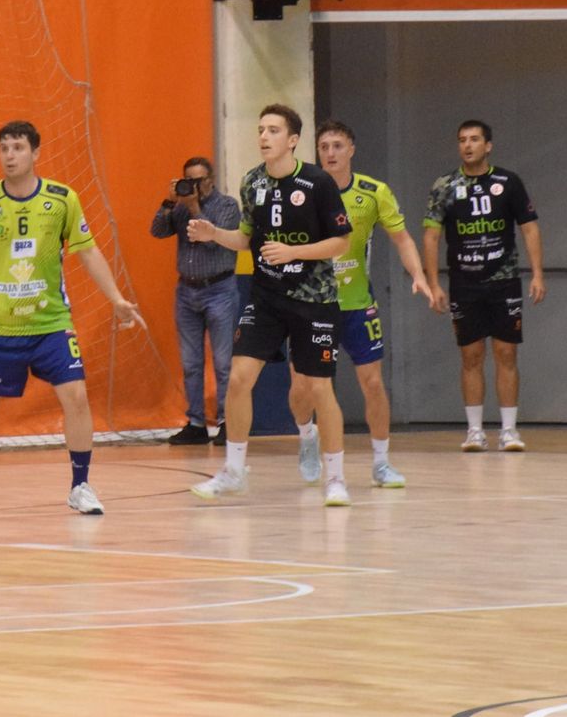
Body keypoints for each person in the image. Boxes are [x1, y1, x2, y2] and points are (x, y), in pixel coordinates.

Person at [0, 120, 144, 516]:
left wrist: (115, 299)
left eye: (18, 148)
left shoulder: (62, 200)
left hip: (51, 323)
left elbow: (89, 252)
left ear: (36, 153)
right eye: (4, 148)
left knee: (76, 396)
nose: (9, 156)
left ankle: (81, 486)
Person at [186, 104, 355, 507]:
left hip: (314, 299)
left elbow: (342, 242)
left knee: (317, 388)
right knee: (240, 378)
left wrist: (295, 250)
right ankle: (233, 471)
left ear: (292, 140)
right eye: (261, 129)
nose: (264, 136)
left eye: (273, 130)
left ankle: (335, 478)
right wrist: (214, 233)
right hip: (265, 297)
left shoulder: (317, 182)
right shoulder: (252, 182)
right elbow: (247, 239)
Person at [287, 121, 431, 489]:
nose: (330, 153)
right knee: (302, 388)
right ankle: (307, 437)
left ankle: (381, 463)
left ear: (351, 149)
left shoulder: (373, 192)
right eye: (324, 147)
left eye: (337, 145)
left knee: (372, 383)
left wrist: (418, 275)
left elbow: (401, 239)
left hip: (356, 303)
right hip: (312, 304)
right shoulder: (300, 191)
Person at [421, 119, 544, 452]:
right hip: (464, 283)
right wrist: (434, 283)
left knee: (506, 353)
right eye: (462, 140)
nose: (468, 145)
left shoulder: (508, 182)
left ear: (488, 145)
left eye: (475, 139)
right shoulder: (445, 185)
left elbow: (529, 228)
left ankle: (509, 430)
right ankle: (475, 431)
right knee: (470, 356)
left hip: (503, 282)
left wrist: (537, 273)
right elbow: (431, 237)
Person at [150, 156, 241, 446]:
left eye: (200, 180)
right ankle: (197, 423)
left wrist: (194, 208)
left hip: (219, 290)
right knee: (191, 362)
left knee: (224, 362)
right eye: (190, 179)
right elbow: (157, 231)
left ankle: (228, 422)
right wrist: (168, 202)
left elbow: (214, 239)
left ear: (211, 180)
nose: (196, 185)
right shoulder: (178, 206)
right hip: (187, 292)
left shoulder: (227, 206)